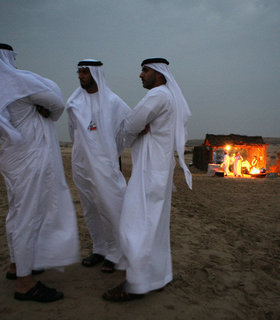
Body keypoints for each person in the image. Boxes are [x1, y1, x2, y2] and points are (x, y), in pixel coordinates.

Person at [0, 43, 79, 303]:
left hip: (13, 157)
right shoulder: (19, 82)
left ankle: (16, 266)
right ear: (8, 58)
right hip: (31, 158)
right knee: (28, 217)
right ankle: (25, 283)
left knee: (16, 213)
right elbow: (57, 102)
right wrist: (48, 112)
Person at [103, 58, 192, 302]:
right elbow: (135, 125)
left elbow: (130, 123)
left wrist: (130, 127)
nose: (140, 75)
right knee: (154, 226)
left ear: (160, 75)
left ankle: (135, 283)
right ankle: (157, 277)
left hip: (150, 170)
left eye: (145, 71)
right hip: (158, 169)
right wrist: (135, 127)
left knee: (136, 224)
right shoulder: (169, 96)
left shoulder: (157, 95)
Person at [66, 59, 130, 273]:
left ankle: (116, 252)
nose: (81, 76)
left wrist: (109, 155)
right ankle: (99, 248)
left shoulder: (114, 102)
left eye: (85, 72)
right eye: (79, 72)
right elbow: (72, 132)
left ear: (95, 74)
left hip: (105, 163)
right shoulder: (73, 102)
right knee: (90, 207)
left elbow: (124, 132)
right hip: (81, 163)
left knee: (111, 205)